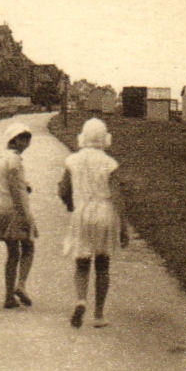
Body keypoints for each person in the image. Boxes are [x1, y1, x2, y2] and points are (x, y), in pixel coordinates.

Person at [58, 117, 127, 328]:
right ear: (105, 139)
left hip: (82, 212)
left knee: (82, 262)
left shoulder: (72, 161)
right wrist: (123, 226)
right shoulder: (109, 163)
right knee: (102, 264)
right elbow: (117, 197)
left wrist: (71, 205)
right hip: (105, 213)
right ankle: (98, 315)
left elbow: (63, 190)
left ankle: (81, 300)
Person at [0, 122, 36, 309]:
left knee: (12, 253)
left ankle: (8, 297)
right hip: (16, 210)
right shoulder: (15, 160)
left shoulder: (0, 159)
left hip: (2, 208)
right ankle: (21, 285)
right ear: (14, 141)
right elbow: (15, 187)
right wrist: (23, 214)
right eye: (23, 139)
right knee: (29, 247)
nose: (27, 142)